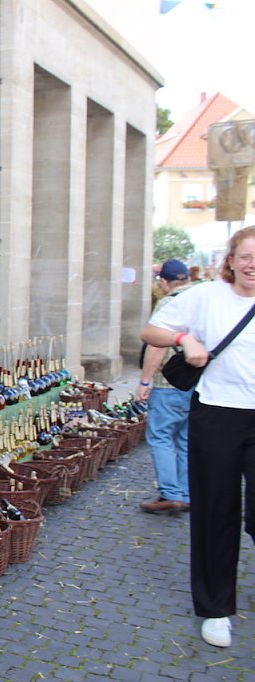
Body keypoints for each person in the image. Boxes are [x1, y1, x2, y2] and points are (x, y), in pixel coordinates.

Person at [141, 225, 255, 649]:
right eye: (245, 256)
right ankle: (216, 608)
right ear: (231, 261)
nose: (252, 265)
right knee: (215, 512)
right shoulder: (206, 296)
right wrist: (183, 337)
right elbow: (151, 331)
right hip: (218, 413)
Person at [136, 259, 195, 514]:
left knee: (160, 437)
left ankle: (171, 494)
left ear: (164, 282)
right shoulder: (202, 300)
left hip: (168, 383)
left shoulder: (169, 302)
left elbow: (157, 346)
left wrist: (144, 381)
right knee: (186, 439)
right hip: (196, 383)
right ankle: (186, 492)